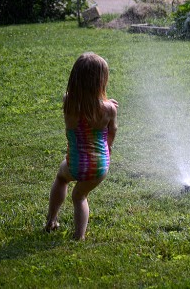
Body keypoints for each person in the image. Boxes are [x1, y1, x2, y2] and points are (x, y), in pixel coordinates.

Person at [45, 52, 118, 240]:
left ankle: (51, 221)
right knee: (80, 196)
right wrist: (108, 147)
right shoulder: (110, 109)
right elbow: (112, 131)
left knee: (62, 178)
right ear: (101, 81)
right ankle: (79, 236)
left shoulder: (68, 100)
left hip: (76, 163)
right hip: (100, 166)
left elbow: (81, 103)